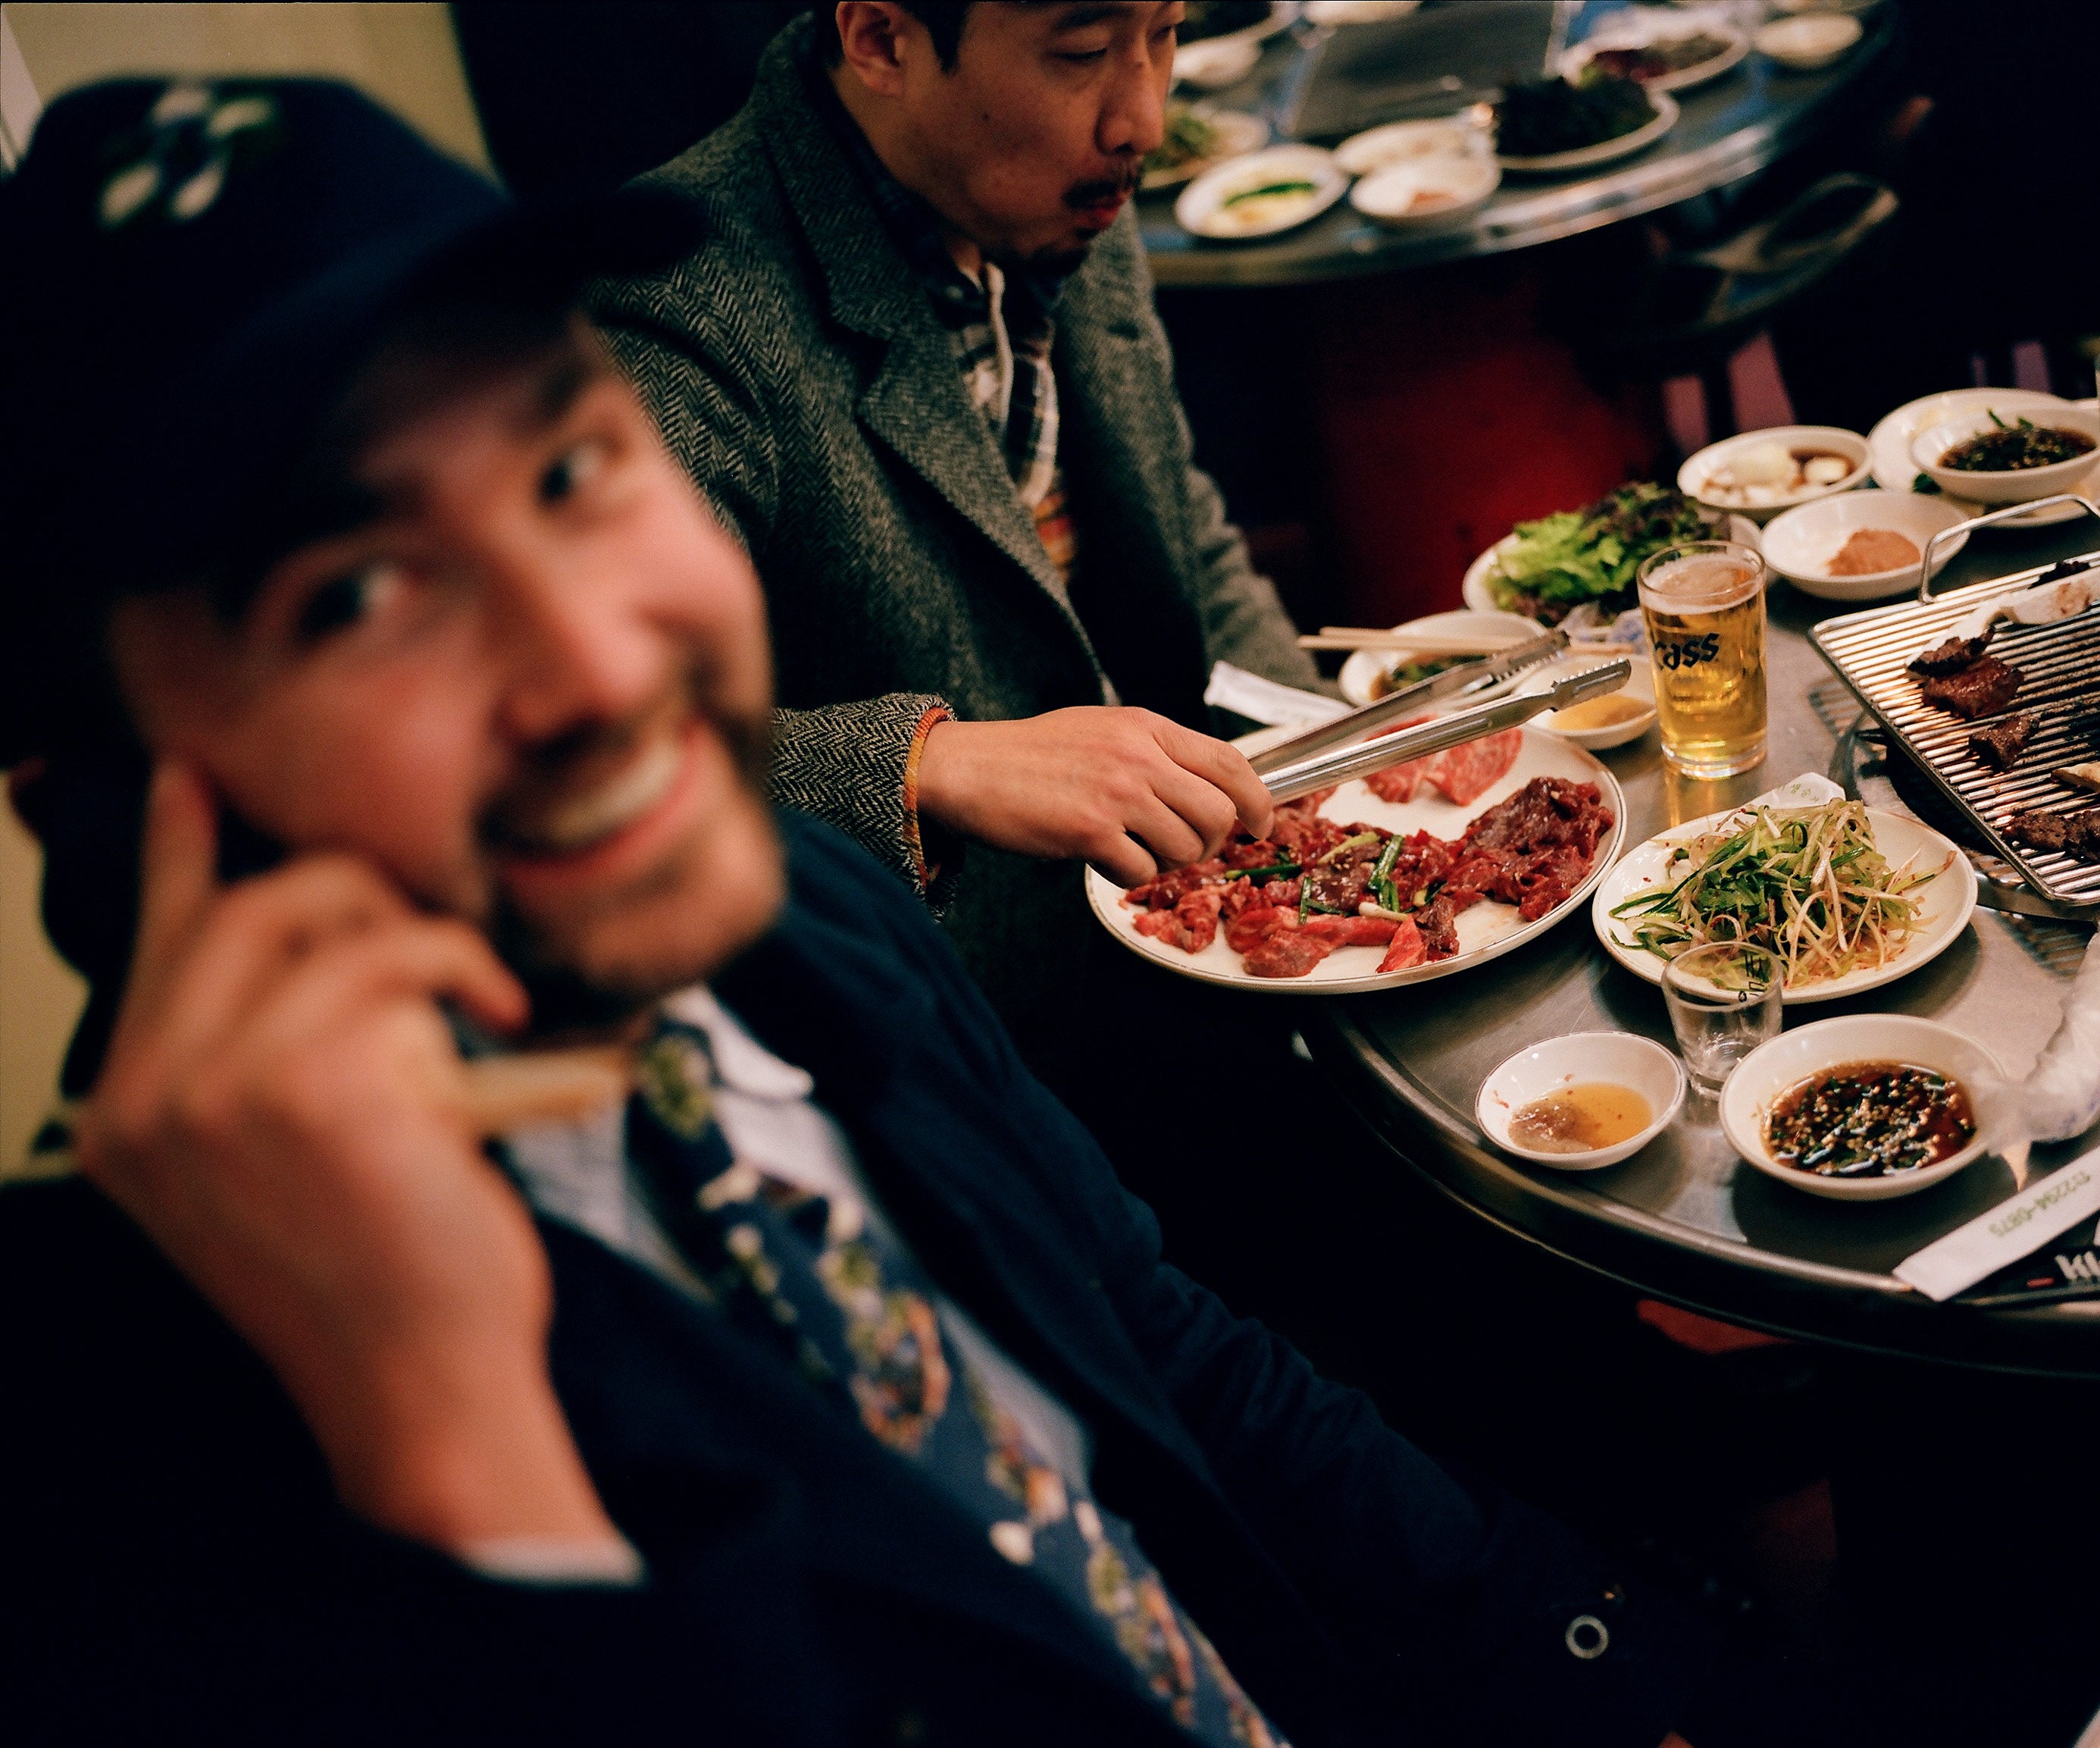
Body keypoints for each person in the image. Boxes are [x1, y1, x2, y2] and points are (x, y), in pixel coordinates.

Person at [0, 77, 1733, 1748]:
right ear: (91, 804)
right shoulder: (109, 1484)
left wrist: (1577, 1643)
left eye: (569, 471)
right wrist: (466, 1481)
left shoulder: (797, 916)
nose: (601, 662)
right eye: (360, 597)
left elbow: (1160, 1347)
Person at [586, 2, 1327, 1089]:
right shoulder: (677, 298)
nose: (1143, 118)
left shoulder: (1051, 187)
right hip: (943, 1047)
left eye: (1164, 33)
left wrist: (1338, 758)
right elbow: (608, 763)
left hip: (1186, 957)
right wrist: (934, 764)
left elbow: (1182, 538)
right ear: (883, 40)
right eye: (1082, 52)